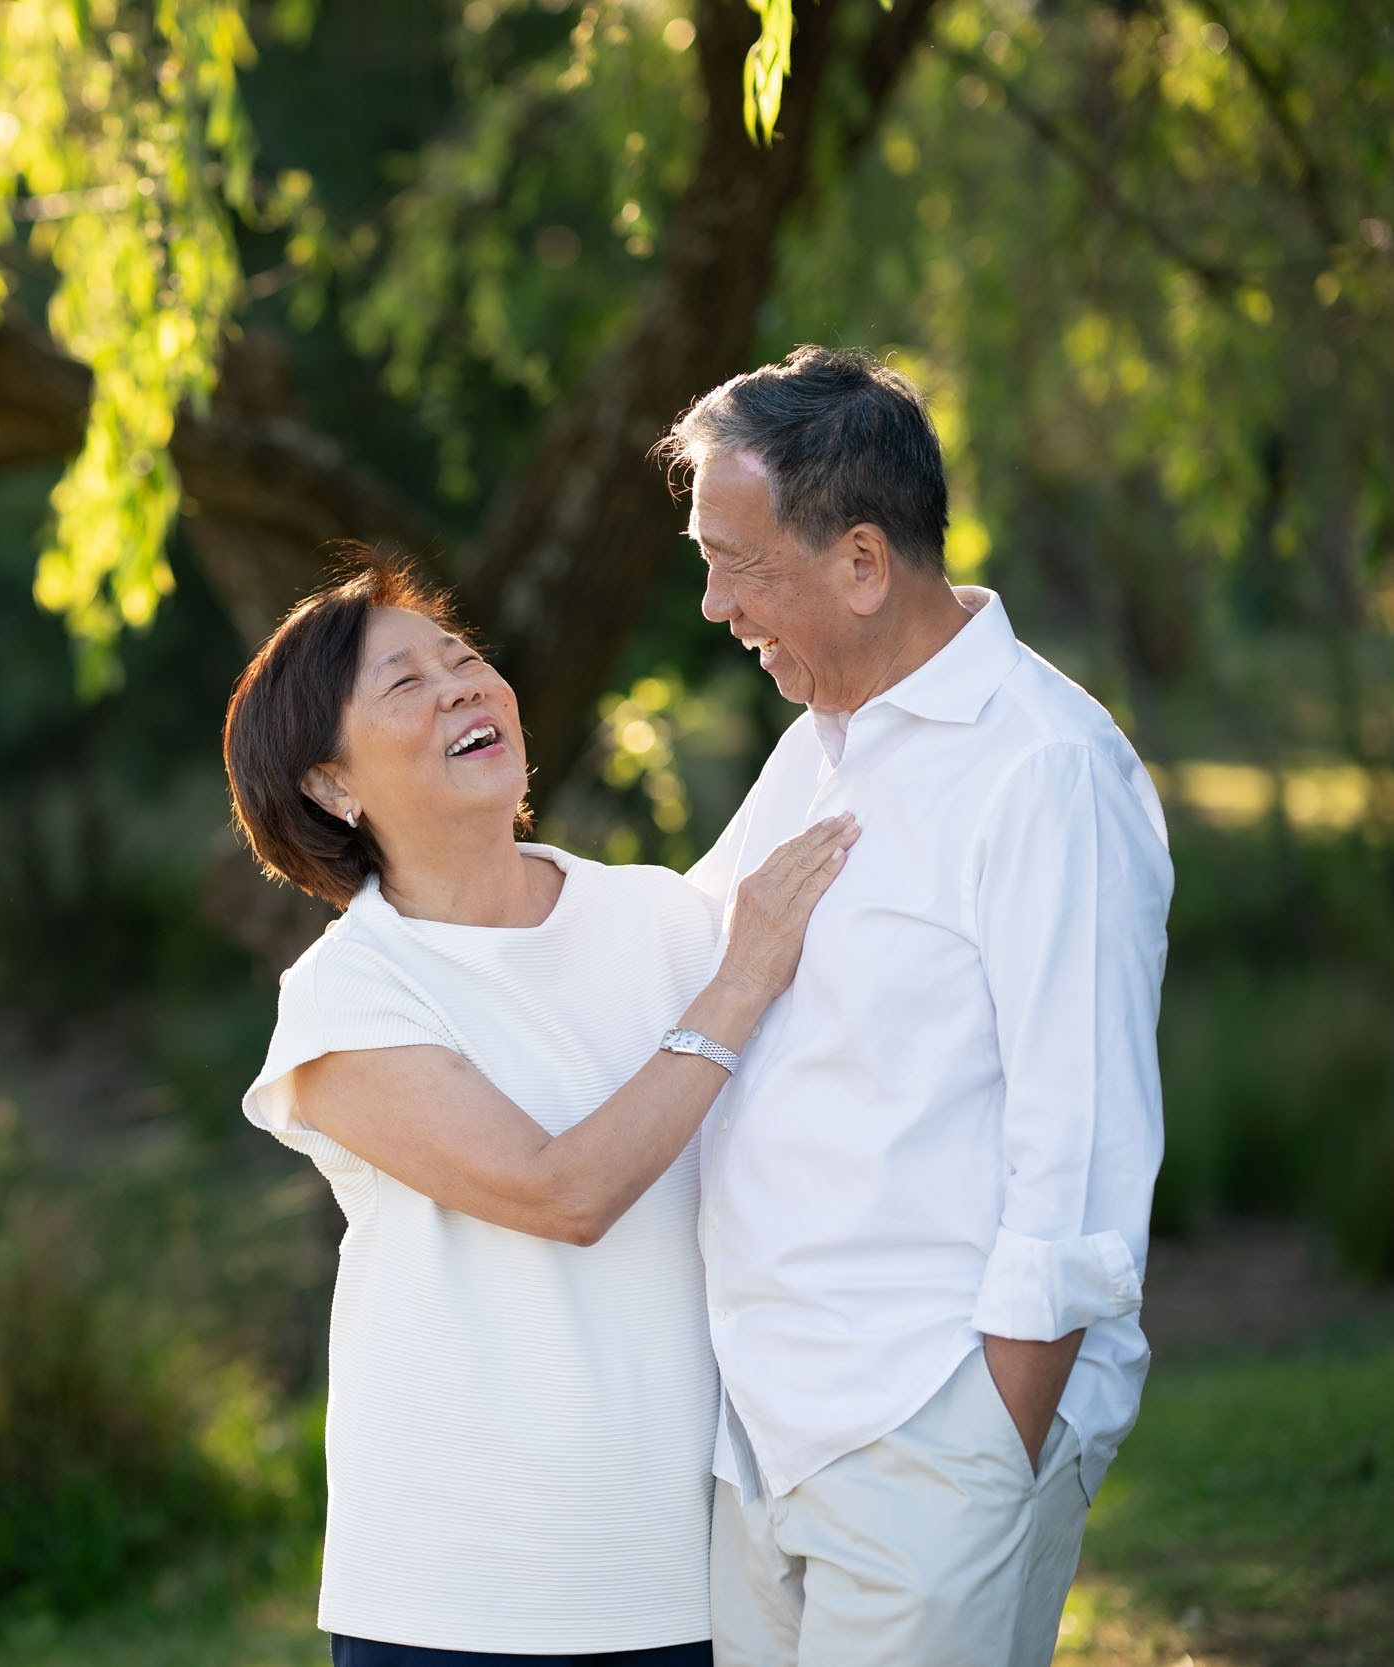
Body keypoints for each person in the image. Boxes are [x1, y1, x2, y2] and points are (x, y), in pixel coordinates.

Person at [224, 554, 858, 1666]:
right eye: (405, 683)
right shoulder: (347, 993)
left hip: (685, 1573)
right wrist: (743, 978)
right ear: (329, 784)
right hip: (452, 1598)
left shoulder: (662, 919)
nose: (462, 685)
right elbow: (561, 1192)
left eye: (462, 658)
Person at [657, 347, 1171, 1667]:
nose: (715, 604)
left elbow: (1080, 1143)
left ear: (862, 562)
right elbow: (674, 951)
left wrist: (990, 1439)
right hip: (762, 1436)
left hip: (927, 1435)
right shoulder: (815, 746)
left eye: (737, 564)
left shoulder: (1044, 769)